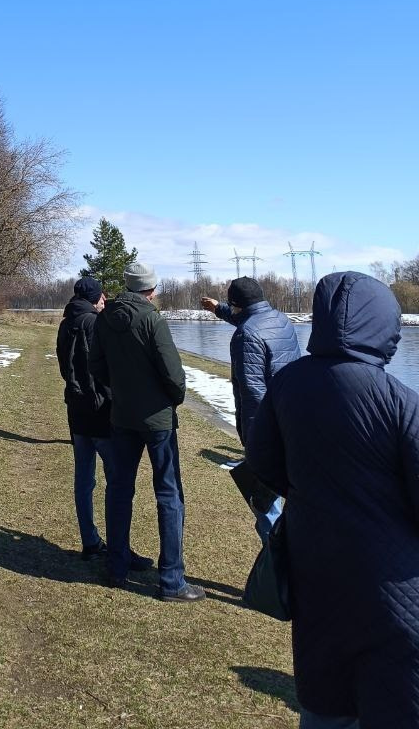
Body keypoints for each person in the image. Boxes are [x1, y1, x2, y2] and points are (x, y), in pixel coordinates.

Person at [248, 272, 419, 728]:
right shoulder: (399, 401)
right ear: (384, 325)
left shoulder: (288, 384)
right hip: (393, 588)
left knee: (326, 702)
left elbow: (262, 460)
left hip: (315, 568)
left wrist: (309, 495)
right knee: (394, 702)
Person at [90, 262, 204, 602]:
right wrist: (172, 398)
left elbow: (96, 365)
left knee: (119, 489)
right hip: (157, 420)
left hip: (122, 416)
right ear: (150, 291)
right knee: (169, 495)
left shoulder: (105, 318)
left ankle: (117, 567)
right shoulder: (152, 319)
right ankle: (171, 581)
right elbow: (173, 372)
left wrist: (122, 390)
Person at [56, 277, 154, 573]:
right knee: (118, 484)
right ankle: (118, 549)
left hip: (76, 413)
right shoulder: (95, 324)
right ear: (95, 297)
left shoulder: (65, 324)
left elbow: (66, 367)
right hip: (100, 412)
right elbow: (103, 368)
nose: (104, 300)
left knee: (84, 480)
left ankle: (90, 542)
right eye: (101, 296)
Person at [201, 277, 301, 540]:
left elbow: (253, 392)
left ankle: (279, 564)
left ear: (237, 305)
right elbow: (249, 321)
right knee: (284, 492)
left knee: (264, 504)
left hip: (267, 427)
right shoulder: (279, 320)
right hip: (291, 418)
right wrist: (218, 308)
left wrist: (254, 440)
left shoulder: (246, 335)